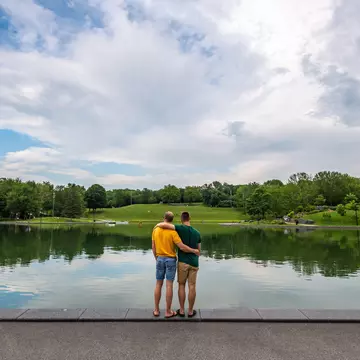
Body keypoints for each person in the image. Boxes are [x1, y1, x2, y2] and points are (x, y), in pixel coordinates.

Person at [152, 211, 199, 319]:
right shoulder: (173, 232)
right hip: (171, 260)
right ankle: (168, 311)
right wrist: (194, 250)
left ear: (163, 217)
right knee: (169, 285)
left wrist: (157, 258)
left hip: (159, 259)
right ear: (172, 220)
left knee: (158, 284)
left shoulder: (156, 230)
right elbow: (181, 247)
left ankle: (156, 310)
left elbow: (153, 247)